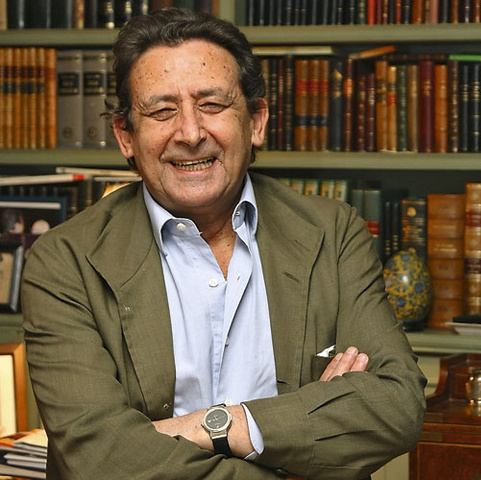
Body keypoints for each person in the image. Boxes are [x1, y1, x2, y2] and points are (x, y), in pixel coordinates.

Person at [21, 8, 426, 480]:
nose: (190, 133)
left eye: (212, 105)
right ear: (125, 136)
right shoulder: (65, 261)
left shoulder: (333, 233)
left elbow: (395, 404)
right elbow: (101, 459)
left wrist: (214, 426)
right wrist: (301, 434)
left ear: (256, 121)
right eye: (162, 111)